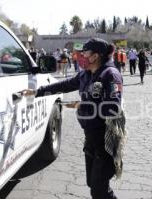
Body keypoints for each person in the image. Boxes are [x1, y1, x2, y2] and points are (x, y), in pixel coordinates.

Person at [22, 38, 126, 199]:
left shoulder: (110, 75)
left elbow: (112, 108)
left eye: (85, 53)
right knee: (94, 184)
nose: (80, 56)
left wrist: (82, 105)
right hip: (90, 136)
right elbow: (63, 85)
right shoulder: (85, 74)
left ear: (95, 56)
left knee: (98, 189)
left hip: (106, 138)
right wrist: (36, 92)